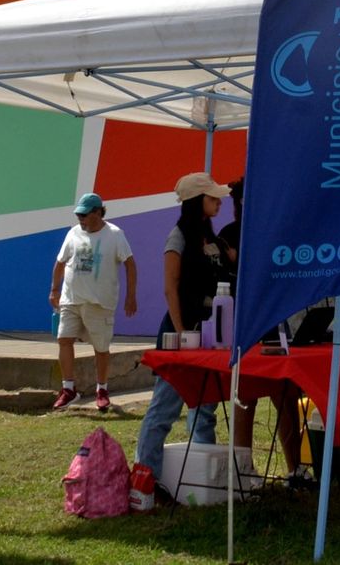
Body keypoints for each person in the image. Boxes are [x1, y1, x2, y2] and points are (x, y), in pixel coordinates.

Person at [136, 172, 231, 483]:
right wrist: (180, 332)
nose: (218, 201)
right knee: (165, 408)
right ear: (195, 201)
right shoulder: (178, 236)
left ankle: (204, 480)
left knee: (205, 409)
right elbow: (170, 288)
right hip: (181, 332)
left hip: (211, 333)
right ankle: (146, 479)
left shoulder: (214, 238)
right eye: (212, 197)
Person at [219, 178, 311, 487]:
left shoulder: (275, 232)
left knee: (285, 394)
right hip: (242, 324)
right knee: (244, 396)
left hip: (274, 322)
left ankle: (295, 467)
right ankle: (243, 469)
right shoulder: (229, 235)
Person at [50, 192, 137, 411]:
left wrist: (131, 296)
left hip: (100, 303)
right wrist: (54, 290)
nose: (81, 218)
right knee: (64, 339)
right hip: (71, 299)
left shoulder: (115, 235)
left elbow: (130, 264)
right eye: (78, 214)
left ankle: (102, 390)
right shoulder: (73, 233)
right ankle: (68, 389)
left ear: (98, 213)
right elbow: (60, 262)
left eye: (85, 214)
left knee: (101, 348)